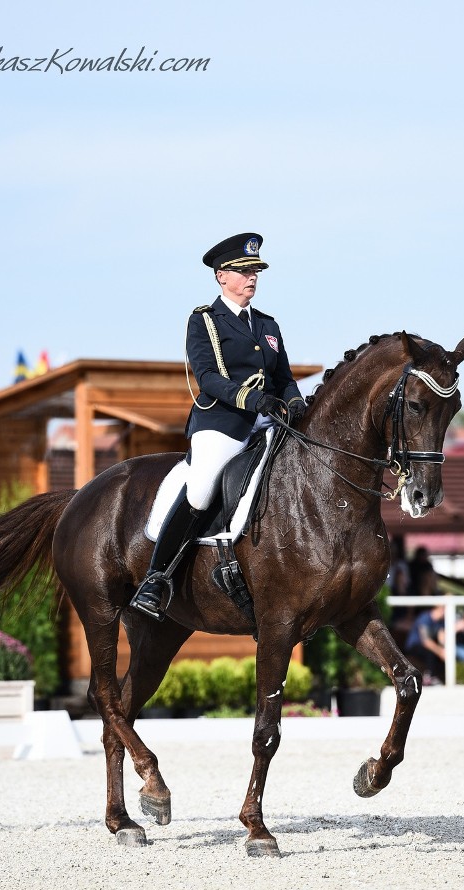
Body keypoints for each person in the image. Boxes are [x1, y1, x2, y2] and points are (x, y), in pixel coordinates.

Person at [131, 232, 306, 620]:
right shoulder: (205, 321)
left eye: (256, 270)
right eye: (244, 271)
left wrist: (293, 401)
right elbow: (208, 377)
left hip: (267, 421)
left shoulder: (268, 325)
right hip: (222, 423)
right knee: (201, 486)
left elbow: (285, 377)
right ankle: (156, 578)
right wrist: (253, 399)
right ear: (221, 276)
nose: (253, 277)